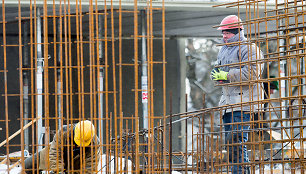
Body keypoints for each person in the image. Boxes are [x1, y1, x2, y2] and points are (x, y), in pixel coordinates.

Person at [211, 15, 263, 174]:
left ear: (237, 31)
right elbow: (220, 70)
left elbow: (252, 74)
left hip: (243, 103)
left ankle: (240, 172)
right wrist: (216, 74)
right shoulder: (223, 49)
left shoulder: (250, 48)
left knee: (237, 142)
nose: (224, 36)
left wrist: (226, 75)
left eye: (227, 33)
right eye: (223, 33)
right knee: (231, 144)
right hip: (227, 104)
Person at [24, 120, 100, 174]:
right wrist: (59, 171)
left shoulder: (95, 143)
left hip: (75, 165)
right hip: (53, 156)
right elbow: (55, 153)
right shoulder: (63, 132)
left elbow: (90, 166)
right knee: (27, 165)